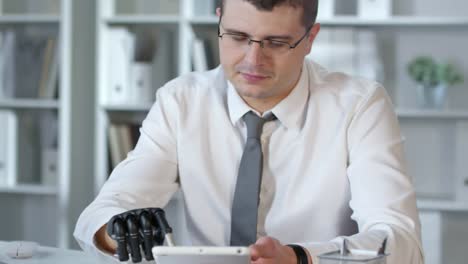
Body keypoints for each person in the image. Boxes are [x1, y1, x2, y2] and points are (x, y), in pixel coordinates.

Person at [75, 0, 424, 263]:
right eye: (238, 36)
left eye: (275, 42)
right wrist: (117, 231)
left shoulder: (360, 105)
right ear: (219, 22)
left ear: (310, 38)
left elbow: (399, 241)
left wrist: (301, 258)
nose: (253, 61)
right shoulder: (181, 100)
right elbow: (101, 212)